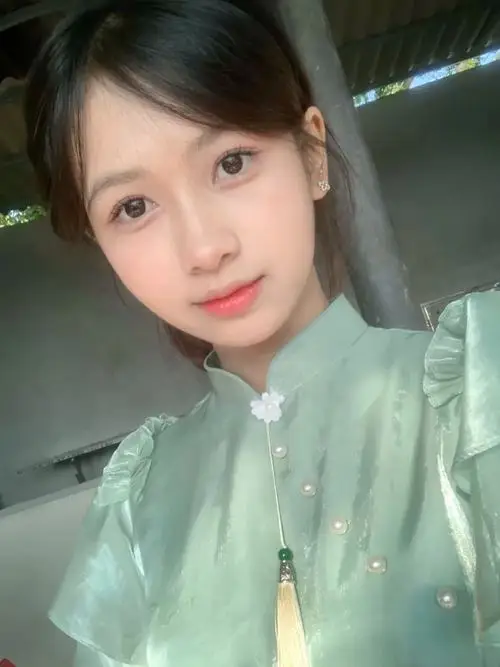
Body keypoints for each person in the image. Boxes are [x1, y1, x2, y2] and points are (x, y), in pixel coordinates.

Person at [23, 1, 500, 666]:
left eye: (232, 161)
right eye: (133, 206)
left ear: (311, 154)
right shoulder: (135, 507)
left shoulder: (478, 390)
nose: (204, 247)